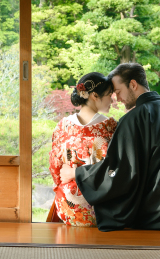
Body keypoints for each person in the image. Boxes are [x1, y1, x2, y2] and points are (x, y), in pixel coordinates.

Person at [60, 63, 160, 231]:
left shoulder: (134, 119)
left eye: (118, 92)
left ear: (133, 84)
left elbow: (120, 171)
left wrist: (75, 173)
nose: (117, 99)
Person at [48, 72, 117, 226]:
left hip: (67, 207)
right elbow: (114, 170)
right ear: (94, 96)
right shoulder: (110, 127)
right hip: (101, 205)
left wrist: (66, 180)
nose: (112, 100)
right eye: (109, 95)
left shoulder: (63, 126)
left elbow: (55, 167)